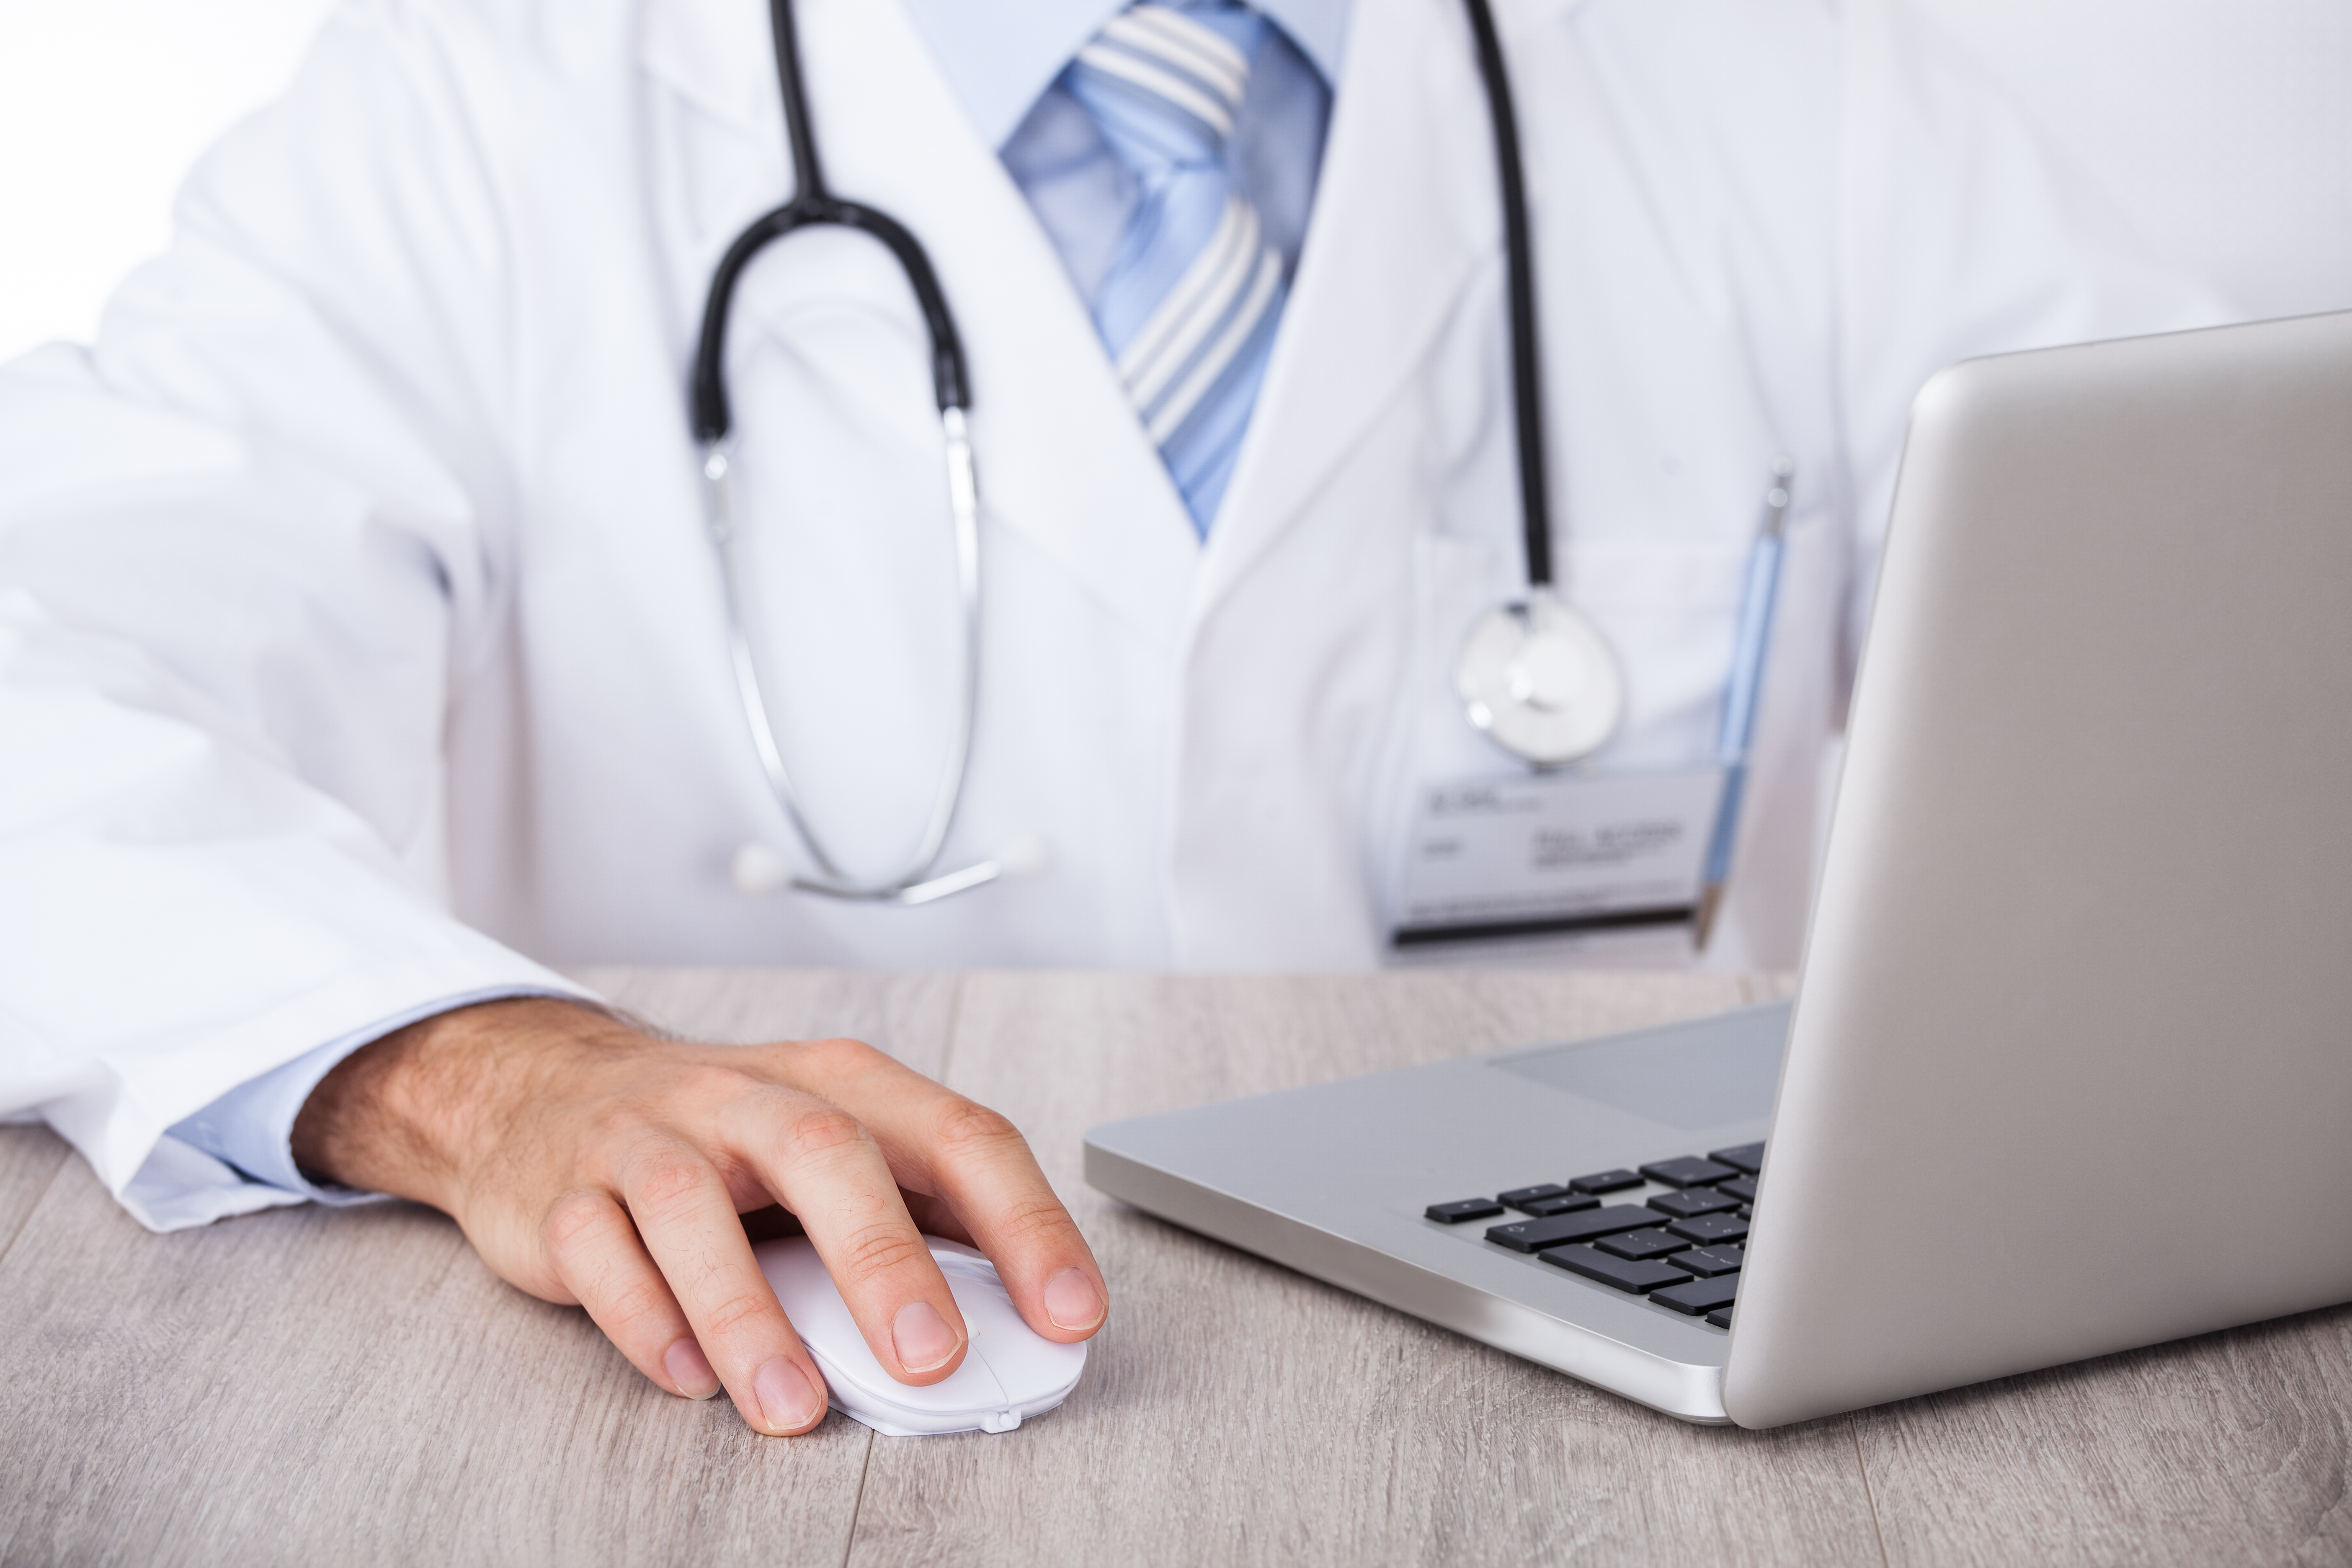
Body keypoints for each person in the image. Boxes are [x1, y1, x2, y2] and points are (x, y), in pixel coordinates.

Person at [0, 0, 2214, 1436]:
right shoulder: (479, 112)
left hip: (1619, 1416)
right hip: (763, 1414)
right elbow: (39, 677)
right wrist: (475, 1077)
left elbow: (2236, 608)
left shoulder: (1791, 88)